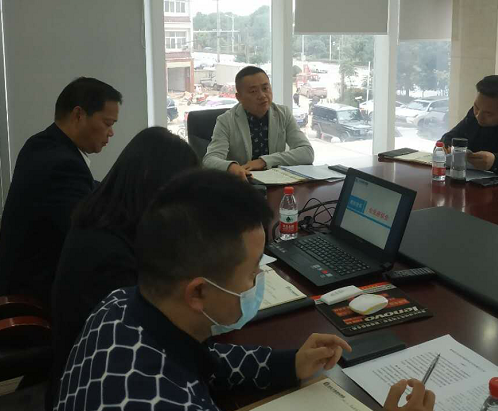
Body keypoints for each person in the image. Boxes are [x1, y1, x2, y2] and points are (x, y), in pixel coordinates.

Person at [54, 170, 434, 411]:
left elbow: (205, 360)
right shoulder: (162, 401)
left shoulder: (120, 305)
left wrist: (289, 364)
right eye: (253, 273)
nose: (258, 282)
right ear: (198, 293)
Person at [48, 127, 199, 409]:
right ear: (156, 188)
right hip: (95, 388)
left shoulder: (107, 215)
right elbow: (153, 335)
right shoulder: (110, 258)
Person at [0, 77, 122, 309]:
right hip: (27, 307)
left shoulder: (41, 144)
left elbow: (87, 187)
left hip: (12, 286)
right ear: (78, 115)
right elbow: (86, 236)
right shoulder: (63, 165)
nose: (111, 132)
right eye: (108, 123)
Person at [203, 66, 314, 181]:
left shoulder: (283, 114)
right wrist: (231, 167)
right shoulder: (226, 121)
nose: (262, 95)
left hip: (276, 182)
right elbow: (209, 160)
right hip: (243, 184)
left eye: (265, 88)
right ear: (239, 97)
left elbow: (307, 152)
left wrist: (264, 161)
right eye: (253, 91)